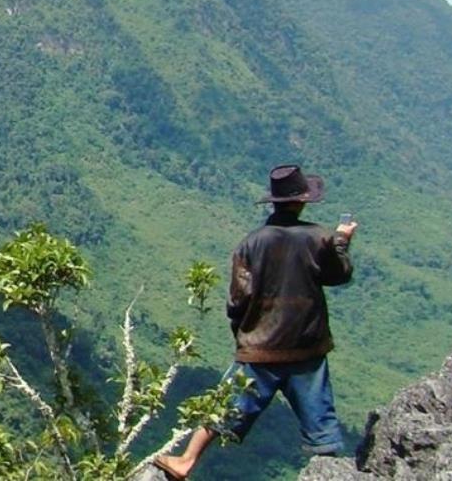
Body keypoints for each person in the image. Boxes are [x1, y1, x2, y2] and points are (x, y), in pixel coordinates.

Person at [153, 164, 357, 480]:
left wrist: (245, 336)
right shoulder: (319, 238)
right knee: (321, 427)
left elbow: (237, 300)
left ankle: (187, 460)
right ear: (303, 201)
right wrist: (341, 241)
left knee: (224, 407)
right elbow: (339, 274)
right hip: (307, 348)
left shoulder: (251, 244)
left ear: (273, 201)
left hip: (260, 348)